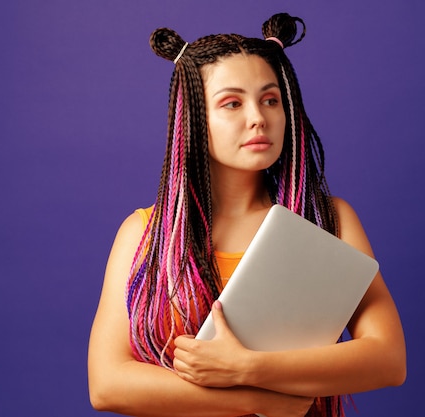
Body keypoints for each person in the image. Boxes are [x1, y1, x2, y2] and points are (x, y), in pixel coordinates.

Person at [88, 13, 406, 417]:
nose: (258, 117)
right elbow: (107, 383)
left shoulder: (327, 220)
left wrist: (246, 367)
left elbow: (388, 359)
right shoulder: (144, 233)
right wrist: (256, 398)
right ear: (195, 120)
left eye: (270, 99)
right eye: (232, 103)